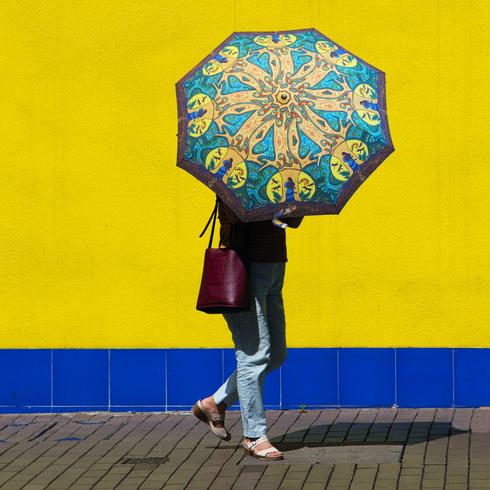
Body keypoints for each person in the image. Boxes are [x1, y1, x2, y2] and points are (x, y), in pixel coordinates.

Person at [192, 198, 303, 460]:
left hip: (274, 268)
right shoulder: (234, 183)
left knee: (276, 354)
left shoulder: (278, 182)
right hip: (244, 269)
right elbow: (240, 215)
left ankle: (214, 403)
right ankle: (254, 436)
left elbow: (291, 222)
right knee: (253, 356)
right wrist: (272, 205)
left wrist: (294, 206)